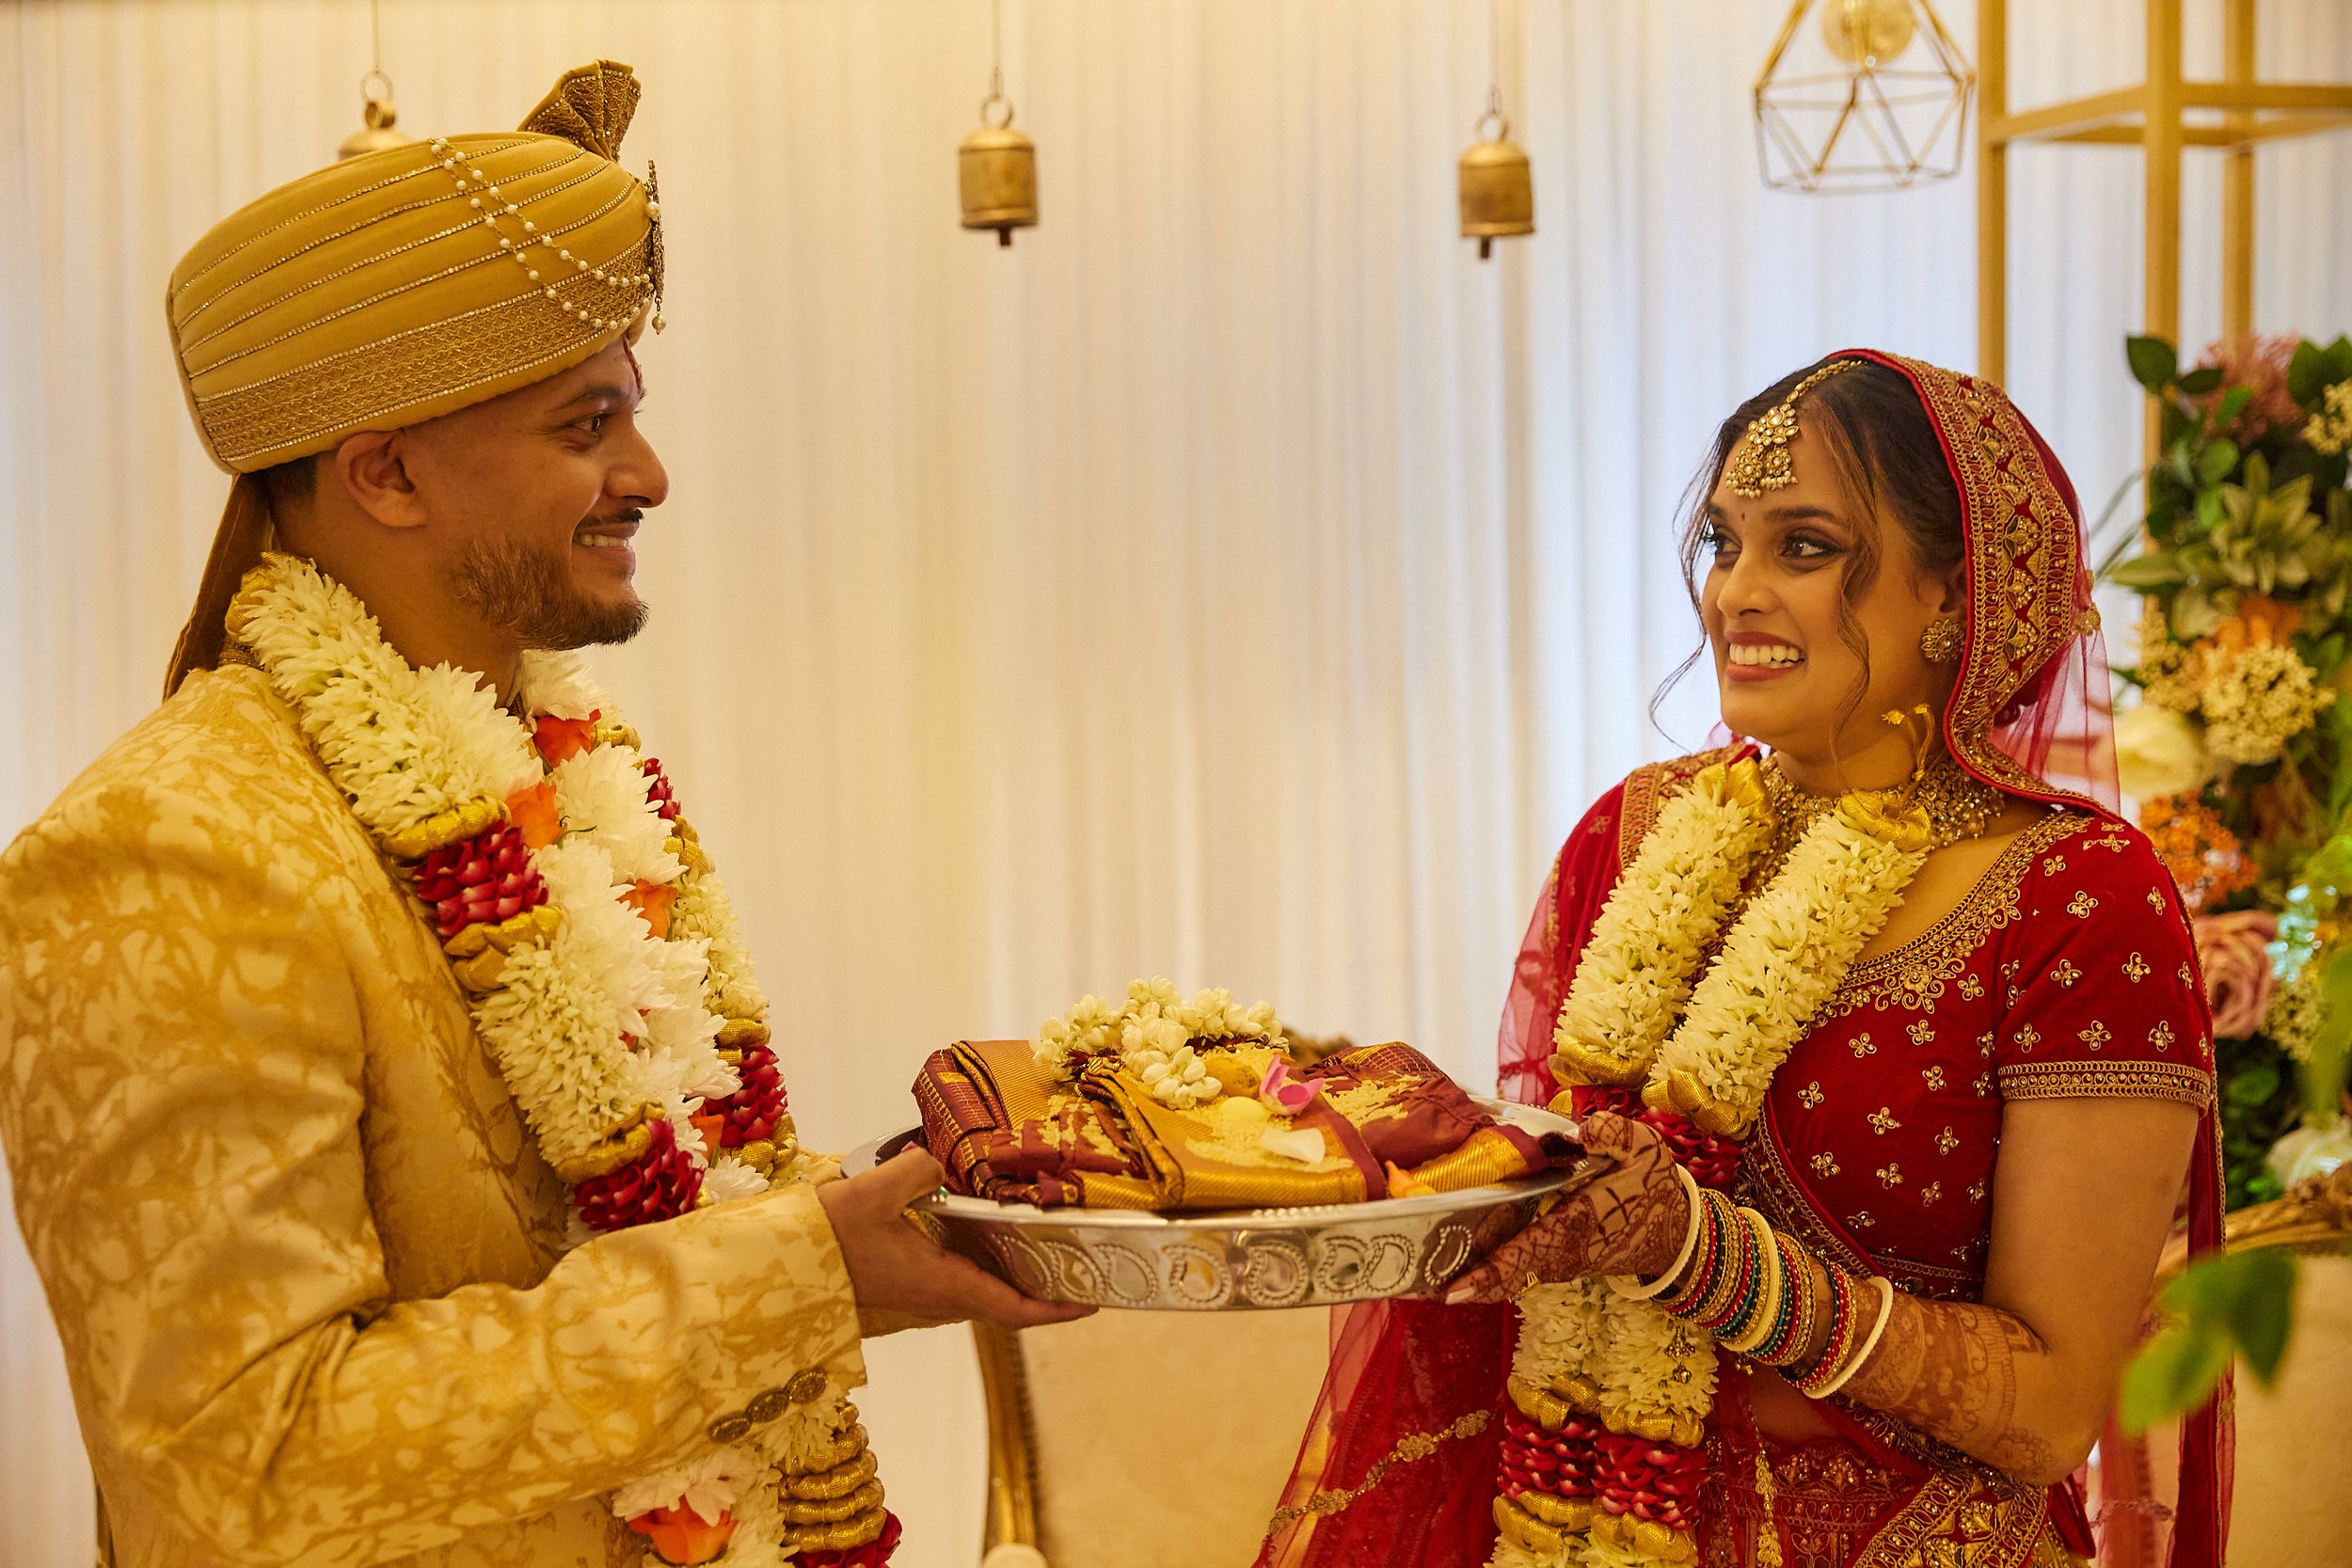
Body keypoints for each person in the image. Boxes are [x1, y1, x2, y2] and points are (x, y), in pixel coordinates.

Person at [0, 60, 1081, 1568]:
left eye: (629, 415)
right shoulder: (167, 855)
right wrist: (792, 1278)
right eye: (587, 425)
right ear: (382, 471)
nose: (646, 473)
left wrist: (902, 1219)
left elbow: (584, 1235)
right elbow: (237, 1467)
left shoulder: (551, 771)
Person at [1259, 352, 2230, 1568]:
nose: (1736, 594)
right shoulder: (1637, 834)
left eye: (1806, 547)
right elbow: (1557, 1210)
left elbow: (2047, 1412)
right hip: (1583, 1515)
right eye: (1724, 544)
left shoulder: (2080, 896)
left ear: (1953, 591)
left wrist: (1700, 1254)